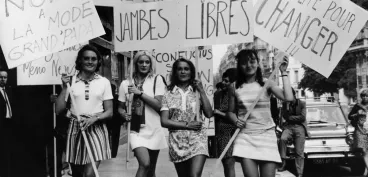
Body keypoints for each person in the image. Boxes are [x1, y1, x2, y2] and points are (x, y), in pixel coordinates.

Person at [227, 49, 293, 177]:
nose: (249, 66)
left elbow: (288, 98)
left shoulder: (267, 83)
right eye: (244, 63)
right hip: (245, 137)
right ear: (239, 66)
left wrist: (284, 72)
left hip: (266, 135)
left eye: (252, 61)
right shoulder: (234, 87)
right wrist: (235, 120)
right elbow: (230, 112)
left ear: (258, 63)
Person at [55, 44, 113, 177]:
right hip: (75, 128)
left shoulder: (104, 82)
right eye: (86, 58)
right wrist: (64, 88)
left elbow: (109, 112)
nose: (90, 62)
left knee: (89, 174)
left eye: (93, 59)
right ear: (80, 60)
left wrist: (95, 118)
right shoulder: (71, 81)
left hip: (96, 127)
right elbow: (58, 110)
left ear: (98, 61)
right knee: (77, 173)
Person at [160, 58, 213, 177]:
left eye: (186, 69)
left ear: (191, 72)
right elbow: (164, 121)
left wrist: (202, 90)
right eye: (179, 69)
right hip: (177, 142)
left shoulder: (197, 91)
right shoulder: (168, 94)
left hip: (198, 139)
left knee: (194, 175)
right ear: (175, 72)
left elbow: (209, 114)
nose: (183, 72)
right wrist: (187, 125)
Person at [118, 50, 167, 177]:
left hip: (154, 129)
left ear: (151, 65)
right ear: (135, 64)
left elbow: (158, 105)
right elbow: (120, 108)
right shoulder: (125, 84)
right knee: (144, 164)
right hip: (135, 130)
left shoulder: (157, 80)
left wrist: (139, 93)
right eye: (141, 62)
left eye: (147, 62)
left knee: (150, 171)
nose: (144, 65)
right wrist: (123, 114)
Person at [278, 88, 309, 177]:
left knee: (299, 151)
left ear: (293, 94)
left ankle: (299, 173)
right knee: (282, 139)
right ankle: (283, 162)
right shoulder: (285, 104)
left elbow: (302, 117)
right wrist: (287, 110)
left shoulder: (302, 103)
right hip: (289, 127)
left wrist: (290, 117)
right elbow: (284, 115)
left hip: (299, 126)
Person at [213, 68, 238, 177]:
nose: (223, 83)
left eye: (226, 81)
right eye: (223, 80)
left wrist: (219, 112)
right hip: (221, 133)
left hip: (231, 133)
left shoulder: (237, 95)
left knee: (229, 163)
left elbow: (234, 115)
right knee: (225, 163)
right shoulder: (220, 94)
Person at [348, 88, 368, 175]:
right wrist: (357, 114)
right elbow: (349, 116)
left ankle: (366, 170)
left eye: (366, 96)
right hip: (360, 130)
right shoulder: (357, 106)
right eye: (363, 96)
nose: (365, 97)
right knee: (363, 150)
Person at [0, 68, 14, 177]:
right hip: (1, 126)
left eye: (5, 77)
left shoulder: (8, 91)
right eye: (1, 77)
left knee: (7, 153)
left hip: (9, 125)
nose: (3, 79)